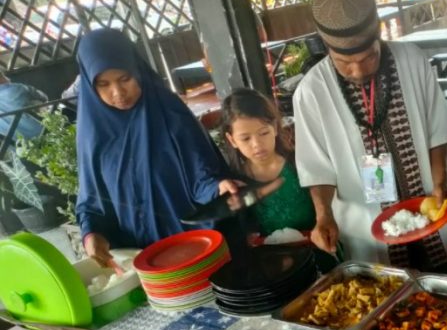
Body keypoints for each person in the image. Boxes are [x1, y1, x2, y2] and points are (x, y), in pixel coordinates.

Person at [293, 0, 447, 274]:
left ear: (379, 34)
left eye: (369, 56)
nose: (359, 70)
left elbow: (437, 129)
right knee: (387, 304)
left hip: (426, 213)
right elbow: (316, 167)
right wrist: (323, 215)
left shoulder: (412, 60)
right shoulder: (311, 92)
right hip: (365, 228)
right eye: (344, 62)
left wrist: (439, 183)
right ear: (326, 48)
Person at [75, 29, 238, 267]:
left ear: (137, 71)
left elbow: (200, 174)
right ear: (90, 86)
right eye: (103, 84)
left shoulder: (169, 113)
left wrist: (217, 187)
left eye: (125, 79)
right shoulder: (92, 132)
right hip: (138, 256)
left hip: (192, 246)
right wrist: (91, 233)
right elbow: (92, 198)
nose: (118, 93)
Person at [220, 88, 340, 271]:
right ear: (232, 140)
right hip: (275, 268)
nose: (257, 144)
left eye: (263, 133)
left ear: (275, 127)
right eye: (245, 138)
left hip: (322, 254)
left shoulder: (300, 162)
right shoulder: (236, 183)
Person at [0, 72, 47, 139]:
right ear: (1, 78)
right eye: (4, 76)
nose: (9, 78)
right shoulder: (15, 89)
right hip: (41, 134)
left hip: (17, 146)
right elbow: (43, 97)